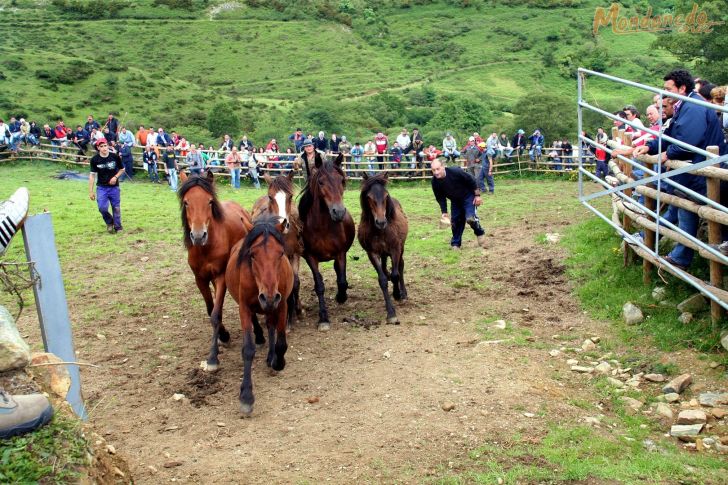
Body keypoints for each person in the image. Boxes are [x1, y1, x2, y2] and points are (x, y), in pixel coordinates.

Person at [632, 68, 727, 270]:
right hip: (696, 171)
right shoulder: (684, 105)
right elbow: (671, 136)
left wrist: (669, 153)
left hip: (703, 172)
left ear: (682, 88)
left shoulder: (692, 107)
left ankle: (684, 259)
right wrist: (651, 146)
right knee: (684, 208)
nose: (665, 93)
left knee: (686, 209)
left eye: (668, 88)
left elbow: (688, 141)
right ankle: (682, 257)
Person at [430, 159, 486, 250]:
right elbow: (440, 198)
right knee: (455, 222)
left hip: (468, 197)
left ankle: (479, 232)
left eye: (438, 169)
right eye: (433, 170)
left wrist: (477, 195)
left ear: (443, 167)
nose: (436, 172)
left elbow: (471, 180)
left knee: (470, 219)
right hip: (455, 201)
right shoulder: (434, 182)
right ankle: (456, 243)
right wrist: (444, 212)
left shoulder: (455, 172)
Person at [88, 138, 125, 234]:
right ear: (98, 148)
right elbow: (92, 175)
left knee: (116, 207)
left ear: (108, 146)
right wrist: (91, 191)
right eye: (101, 146)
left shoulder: (115, 157)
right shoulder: (95, 160)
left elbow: (122, 169)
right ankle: (109, 222)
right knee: (102, 208)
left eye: (105, 145)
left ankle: (118, 227)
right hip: (101, 187)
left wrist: (115, 177)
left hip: (114, 187)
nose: (104, 148)